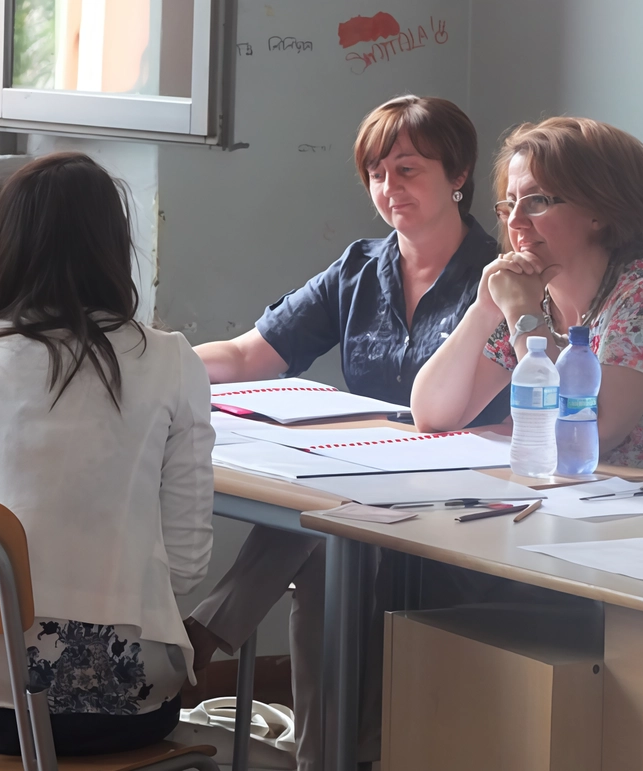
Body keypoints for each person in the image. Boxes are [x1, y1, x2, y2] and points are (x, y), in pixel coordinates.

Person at [186, 95, 507, 770]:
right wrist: (145, 362)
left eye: (407, 169)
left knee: (323, 523)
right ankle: (322, 755)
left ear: (458, 173)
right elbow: (251, 355)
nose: (389, 188)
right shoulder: (362, 265)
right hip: (365, 489)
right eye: (376, 172)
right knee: (326, 536)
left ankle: (208, 636)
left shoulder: (496, 276)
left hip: (465, 492)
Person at [0, 152, 215, 754]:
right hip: (129, 701)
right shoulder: (171, 361)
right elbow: (190, 564)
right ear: (113, 246)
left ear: (7, 244)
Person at [412, 117, 643, 470]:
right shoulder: (536, 301)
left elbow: (594, 433)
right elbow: (433, 415)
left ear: (599, 210)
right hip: (562, 501)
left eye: (537, 201)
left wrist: (520, 312)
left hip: (637, 516)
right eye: (509, 204)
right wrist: (484, 310)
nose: (514, 222)